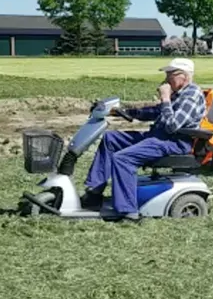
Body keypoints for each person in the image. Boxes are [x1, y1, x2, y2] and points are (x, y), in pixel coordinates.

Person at [80, 57, 206, 222]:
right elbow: (155, 112)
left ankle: (128, 211)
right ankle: (95, 192)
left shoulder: (192, 94)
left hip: (173, 142)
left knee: (123, 158)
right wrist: (124, 112)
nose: (166, 79)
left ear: (183, 76)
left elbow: (172, 125)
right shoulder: (179, 93)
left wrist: (166, 98)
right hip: (158, 137)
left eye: (170, 75)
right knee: (111, 139)